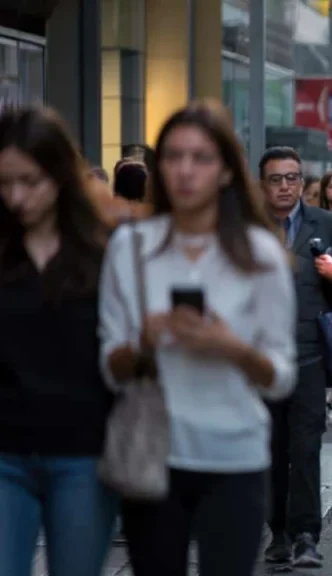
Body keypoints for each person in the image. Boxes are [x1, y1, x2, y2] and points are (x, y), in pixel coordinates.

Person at [99, 100, 297, 575]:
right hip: (154, 453)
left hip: (236, 456)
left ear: (227, 171)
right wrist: (146, 340)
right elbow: (109, 367)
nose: (185, 170)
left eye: (201, 158)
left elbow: (282, 377)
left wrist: (230, 348)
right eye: (172, 156)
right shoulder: (131, 246)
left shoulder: (259, 252)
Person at [0, 106, 118, 576]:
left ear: (60, 175)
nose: (16, 197)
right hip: (5, 451)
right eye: (5, 183)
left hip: (84, 456)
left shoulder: (102, 248)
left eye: (30, 182)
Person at [259, 146, 332, 568]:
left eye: (292, 178)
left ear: (302, 182)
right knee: (272, 451)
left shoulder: (326, 224)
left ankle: (305, 535)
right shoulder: (246, 226)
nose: (285, 186)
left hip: (309, 353)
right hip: (258, 358)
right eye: (276, 179)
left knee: (307, 447)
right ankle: (277, 531)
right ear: (262, 184)